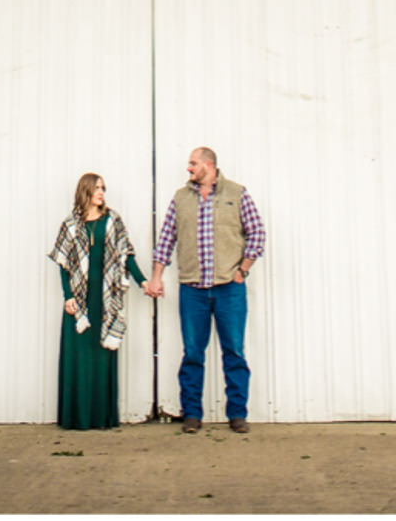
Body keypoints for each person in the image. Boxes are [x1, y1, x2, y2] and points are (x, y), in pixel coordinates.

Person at [155, 146, 268, 435]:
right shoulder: (181, 199)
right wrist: (156, 277)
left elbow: (257, 233)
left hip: (229, 288)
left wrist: (242, 270)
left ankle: (238, 414)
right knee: (193, 352)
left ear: (208, 165)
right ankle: (192, 414)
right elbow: (166, 239)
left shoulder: (237, 193)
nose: (188, 168)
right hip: (193, 289)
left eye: (193, 163)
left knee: (234, 351)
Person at [49, 172, 146, 431]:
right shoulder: (71, 225)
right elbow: (63, 264)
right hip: (79, 301)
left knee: (101, 356)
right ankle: (75, 418)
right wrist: (68, 297)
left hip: (104, 300)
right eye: (96, 188)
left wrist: (143, 281)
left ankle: (102, 417)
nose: (101, 192)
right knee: (78, 358)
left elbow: (127, 256)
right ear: (85, 192)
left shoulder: (112, 221)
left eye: (103, 188)